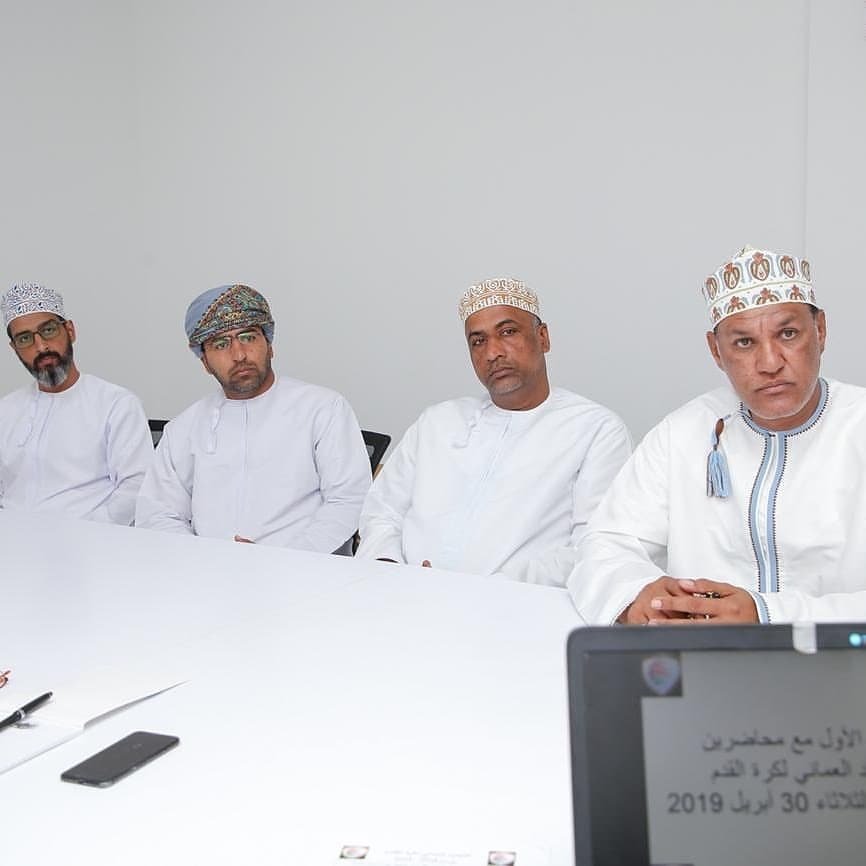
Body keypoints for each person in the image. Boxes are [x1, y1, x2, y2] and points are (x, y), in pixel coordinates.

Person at [569, 245, 866, 625]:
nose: (769, 363)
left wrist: (767, 615)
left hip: (842, 657)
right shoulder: (681, 434)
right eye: (744, 342)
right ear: (716, 351)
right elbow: (606, 543)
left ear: (820, 330)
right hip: (702, 652)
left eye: (788, 334)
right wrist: (637, 596)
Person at [355, 278, 631, 583]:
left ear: (543, 338)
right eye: (478, 341)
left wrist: (482, 589)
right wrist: (389, 567)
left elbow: (593, 546)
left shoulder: (594, 429)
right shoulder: (437, 422)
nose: (492, 353)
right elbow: (382, 511)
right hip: (402, 592)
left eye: (508, 332)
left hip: (517, 604)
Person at [134, 283, 370, 552]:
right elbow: (158, 514)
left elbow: (348, 499)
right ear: (205, 362)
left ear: (269, 345)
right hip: (206, 567)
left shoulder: (323, 409)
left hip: (302, 566)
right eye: (220, 344)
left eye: (248, 337)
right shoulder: (184, 428)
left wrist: (285, 559)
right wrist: (203, 556)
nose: (239, 355)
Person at [0, 282, 152, 524]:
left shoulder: (116, 404)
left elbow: (136, 488)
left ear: (70, 331)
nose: (41, 347)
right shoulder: (6, 410)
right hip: (11, 538)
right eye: (25, 338)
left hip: (87, 538)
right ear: (14, 348)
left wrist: (81, 533)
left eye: (48, 330)